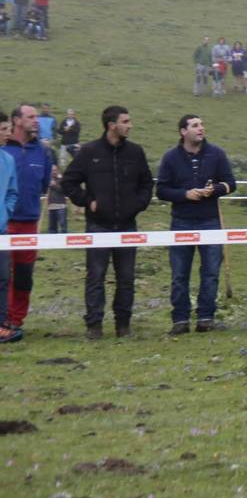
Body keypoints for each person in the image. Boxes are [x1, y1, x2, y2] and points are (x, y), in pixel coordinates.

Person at [61, 106, 154, 340]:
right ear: (112, 125)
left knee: (126, 278)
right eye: (126, 121)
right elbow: (69, 182)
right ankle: (94, 325)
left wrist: (138, 204)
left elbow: (146, 184)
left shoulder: (135, 152)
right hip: (98, 226)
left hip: (127, 225)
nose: (130, 125)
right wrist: (88, 202)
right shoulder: (89, 152)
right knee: (96, 276)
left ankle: (123, 325)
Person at [156, 115, 236, 333]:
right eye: (195, 125)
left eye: (202, 124)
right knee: (179, 273)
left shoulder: (216, 154)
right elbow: (161, 190)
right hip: (181, 221)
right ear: (183, 131)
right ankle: (180, 320)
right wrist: (185, 194)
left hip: (210, 220)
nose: (201, 128)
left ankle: (206, 318)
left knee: (211, 271)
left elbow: (231, 184)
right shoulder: (170, 157)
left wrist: (215, 190)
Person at [1, 104, 56, 343]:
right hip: (5, 223)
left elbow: (45, 185)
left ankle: (15, 319)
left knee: (24, 275)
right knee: (2, 274)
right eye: (31, 117)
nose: (36, 121)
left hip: (29, 222)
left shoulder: (42, 152)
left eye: (37, 116)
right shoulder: (5, 149)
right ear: (16, 121)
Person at [0, 111, 16, 344]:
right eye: (3, 129)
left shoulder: (8, 160)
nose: (8, 133)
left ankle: (2, 325)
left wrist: (5, 215)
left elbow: (12, 193)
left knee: (3, 279)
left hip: (1, 233)